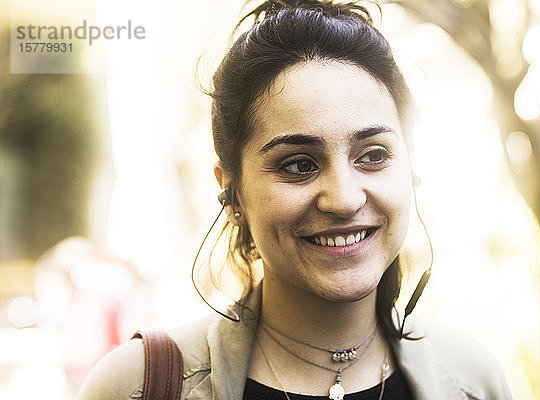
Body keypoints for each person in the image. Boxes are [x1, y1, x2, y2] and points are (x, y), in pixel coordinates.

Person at [77, 1, 513, 399]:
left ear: (411, 169)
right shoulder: (136, 387)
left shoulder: (473, 381)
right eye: (298, 165)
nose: (343, 199)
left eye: (373, 156)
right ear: (232, 193)